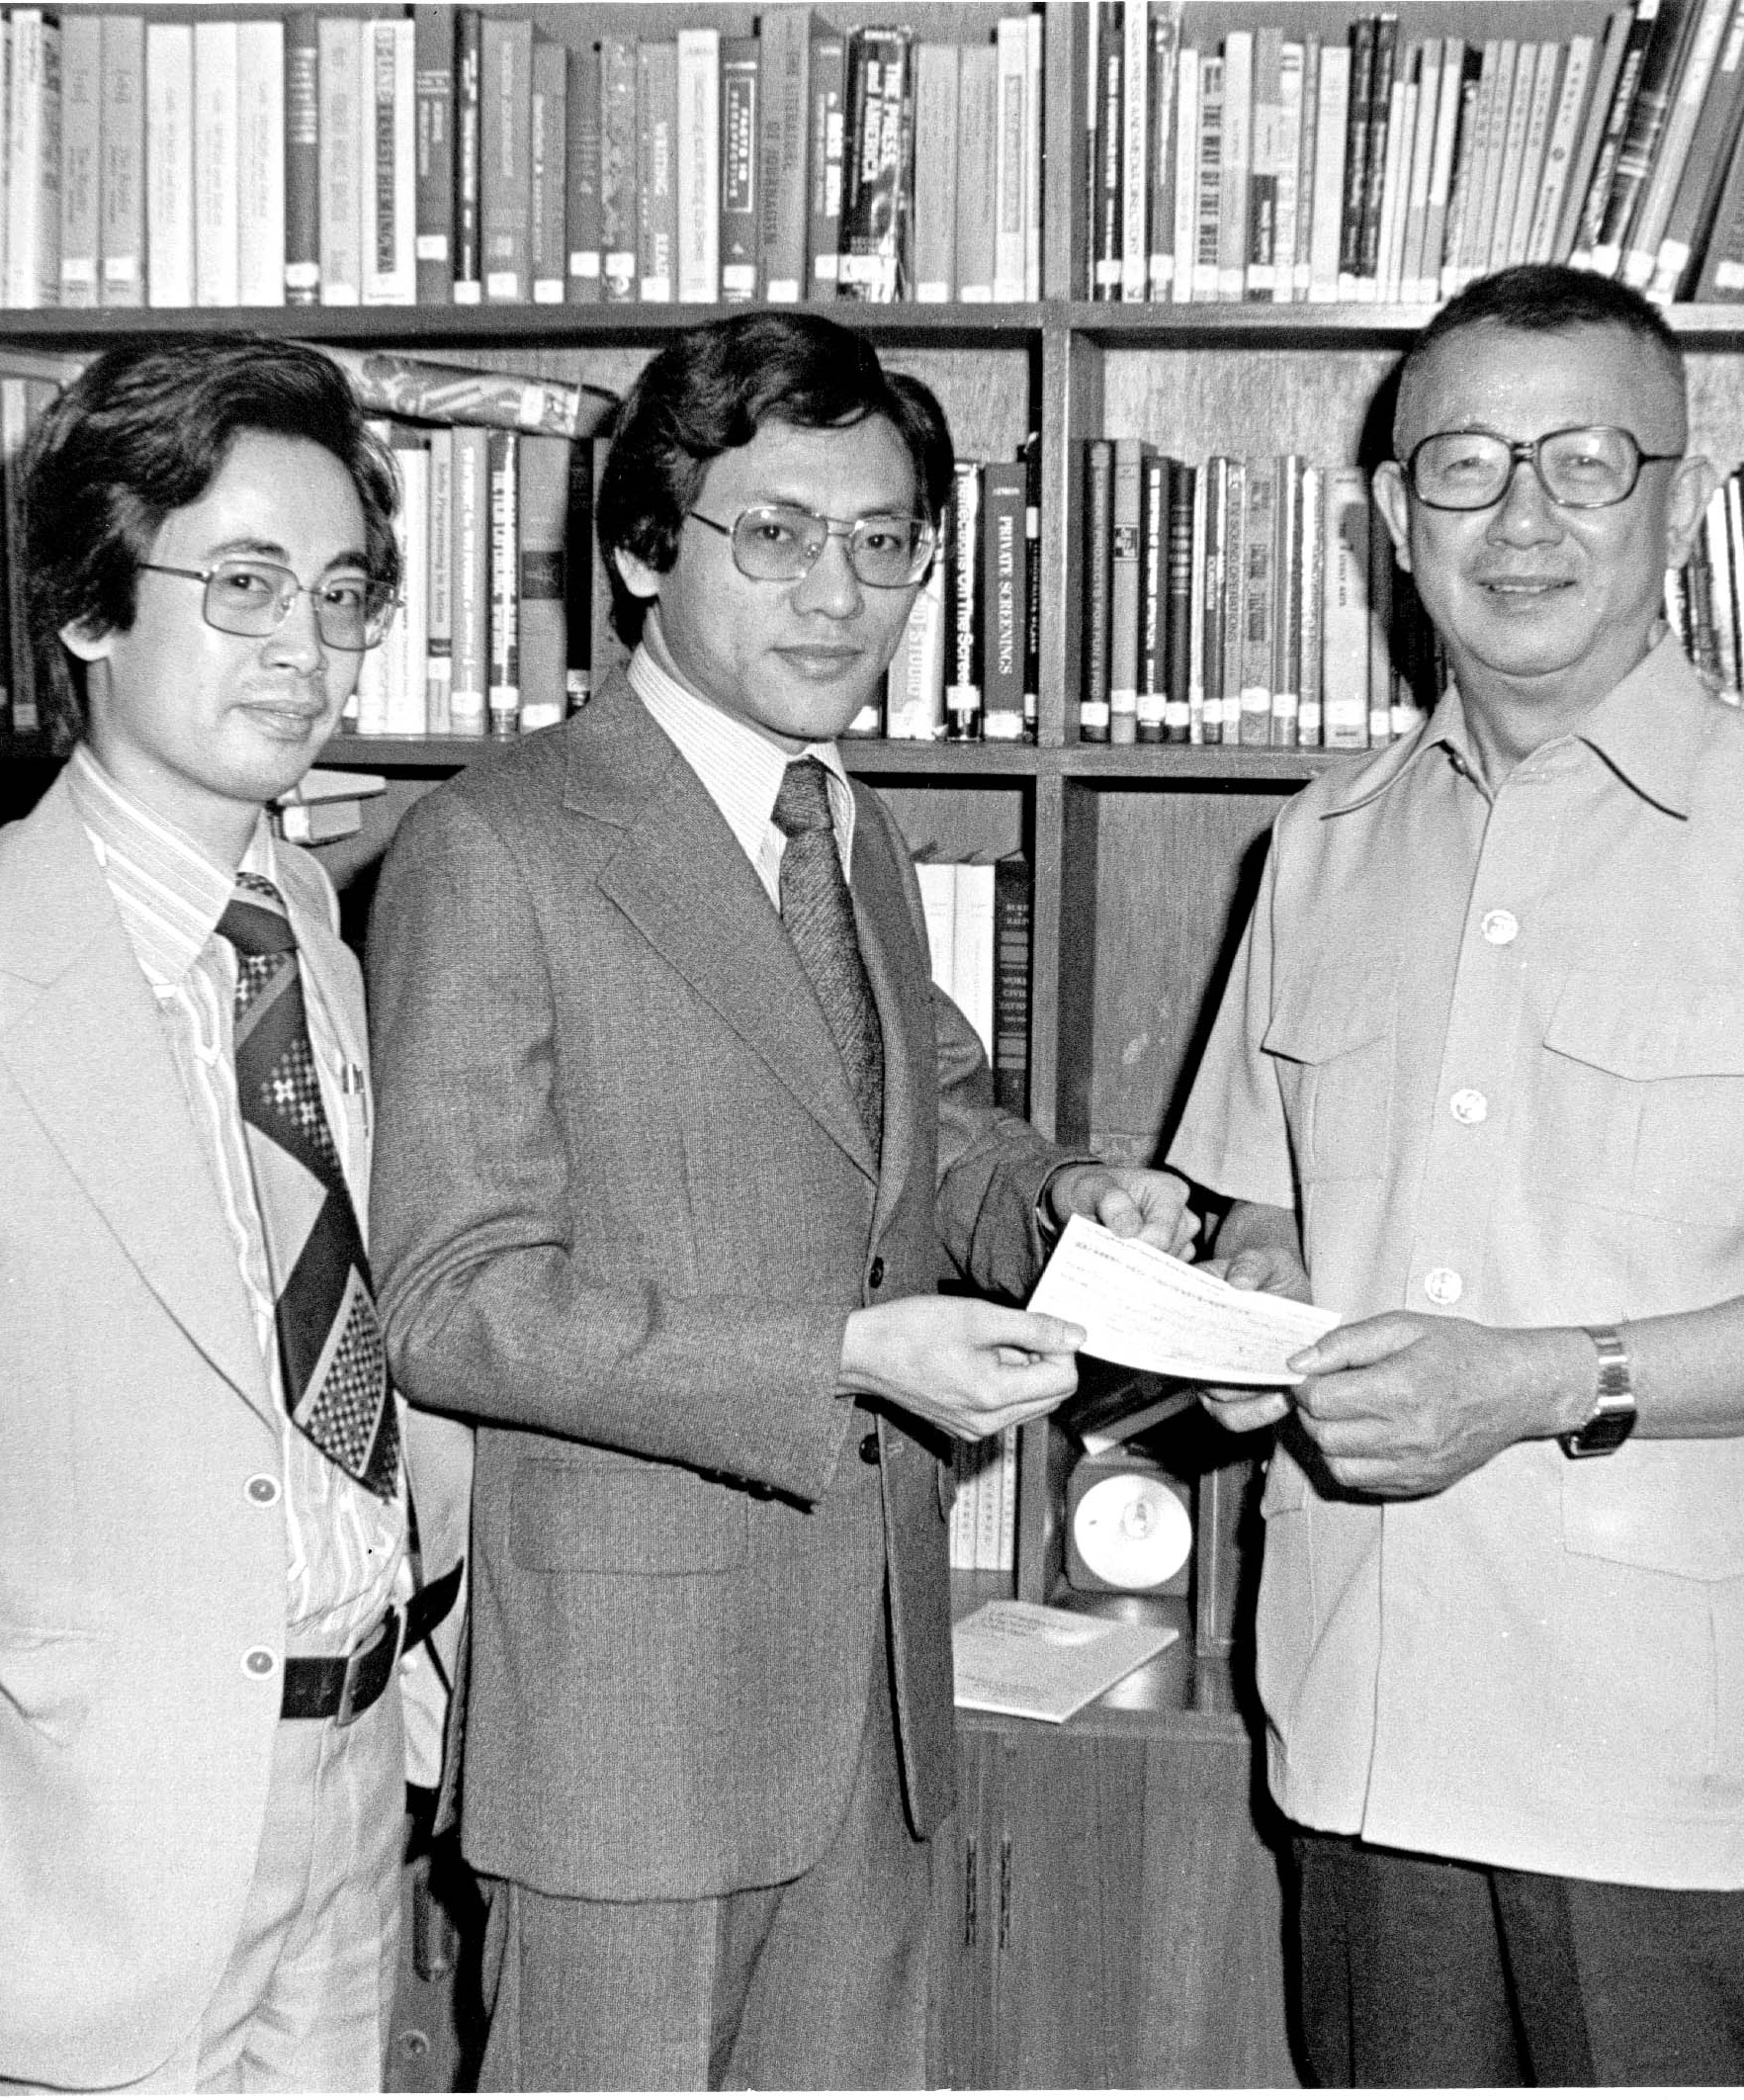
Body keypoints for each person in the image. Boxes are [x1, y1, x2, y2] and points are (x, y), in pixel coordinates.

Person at [365, 309, 1195, 2091]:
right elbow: (453, 1299)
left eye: (885, 542)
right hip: (630, 1733)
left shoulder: (844, 819)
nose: (841, 594)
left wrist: (1072, 1200)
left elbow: (924, 1126)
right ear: (642, 548)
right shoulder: (495, 845)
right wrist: (843, 1355)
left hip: (874, 1706)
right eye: (778, 534)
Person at [1172, 264, 1744, 2087]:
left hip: (1677, 1769)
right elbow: (1271, 1217)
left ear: (1677, 504)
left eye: (1586, 461)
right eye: (1465, 466)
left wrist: (1543, 1381)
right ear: (1393, 521)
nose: (1522, 519)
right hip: (1369, 1728)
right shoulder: (1319, 846)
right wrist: (1241, 1310)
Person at [0, 336, 469, 2097]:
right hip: (72, 1863)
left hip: (350, 1795)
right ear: (89, 607)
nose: (305, 646)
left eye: (343, 593)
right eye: (243, 584)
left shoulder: (312, 930)